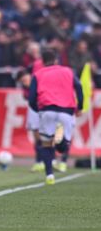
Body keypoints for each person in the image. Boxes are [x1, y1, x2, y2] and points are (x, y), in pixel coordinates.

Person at [29, 49, 83, 185]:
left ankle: (49, 176)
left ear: (42, 61)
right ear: (56, 60)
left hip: (47, 110)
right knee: (64, 147)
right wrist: (80, 106)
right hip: (66, 110)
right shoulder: (68, 71)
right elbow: (78, 86)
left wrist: (38, 110)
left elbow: (31, 98)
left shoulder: (37, 74)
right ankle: (60, 142)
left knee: (46, 144)